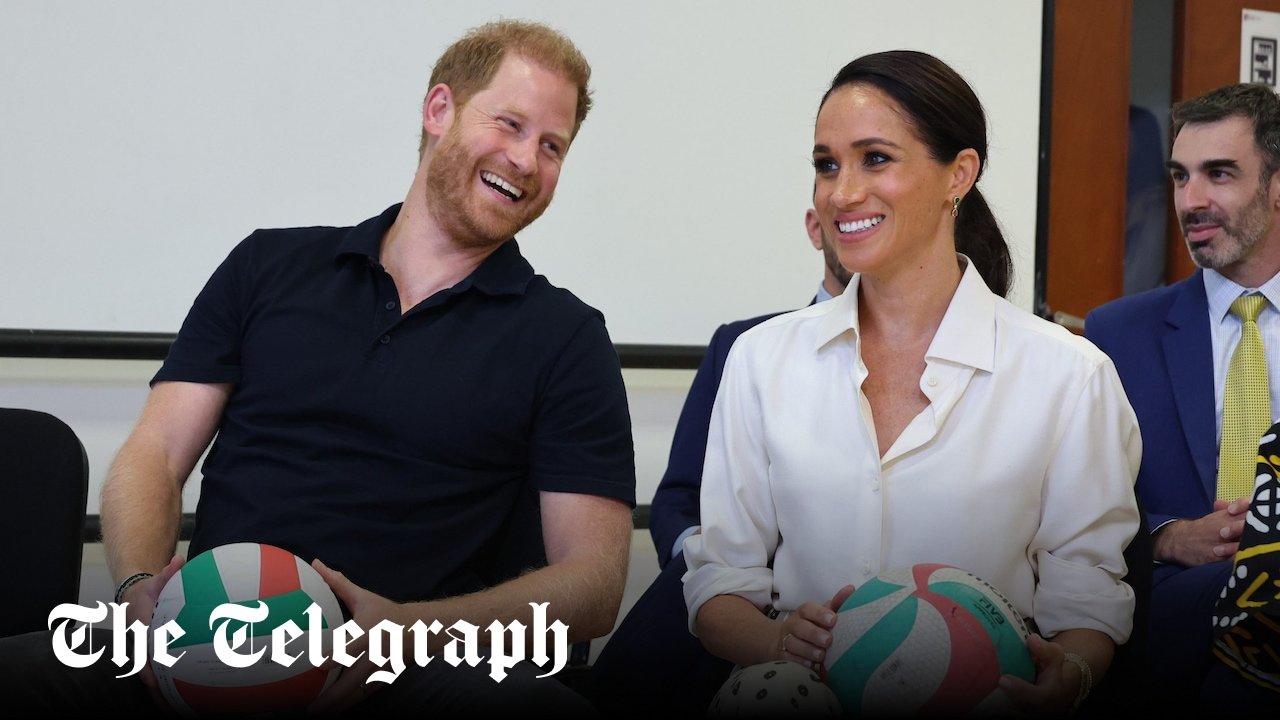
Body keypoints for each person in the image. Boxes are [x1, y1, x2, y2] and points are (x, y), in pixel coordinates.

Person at [0, 19, 635, 717]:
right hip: (203, 636)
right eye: (509, 124)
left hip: (401, 667)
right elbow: (152, 453)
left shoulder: (567, 337)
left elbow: (595, 583)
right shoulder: (268, 266)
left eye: (552, 146)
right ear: (439, 110)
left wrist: (411, 630)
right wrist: (137, 594)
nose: (525, 160)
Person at [682, 50, 1141, 717]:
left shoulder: (1071, 375)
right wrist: (782, 640)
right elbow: (718, 586)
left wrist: (1064, 677)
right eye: (825, 164)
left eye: (875, 159)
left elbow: (1088, 597)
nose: (841, 193)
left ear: (959, 174)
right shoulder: (759, 359)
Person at [582, 206, 851, 715]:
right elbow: (676, 501)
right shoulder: (745, 346)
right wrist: (723, 567)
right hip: (740, 601)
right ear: (815, 229)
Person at [1085, 82, 1280, 711]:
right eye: (1179, 176)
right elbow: (1074, 510)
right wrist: (1167, 537)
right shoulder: (1116, 334)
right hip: (1166, 656)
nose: (1190, 200)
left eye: (1218, 174)